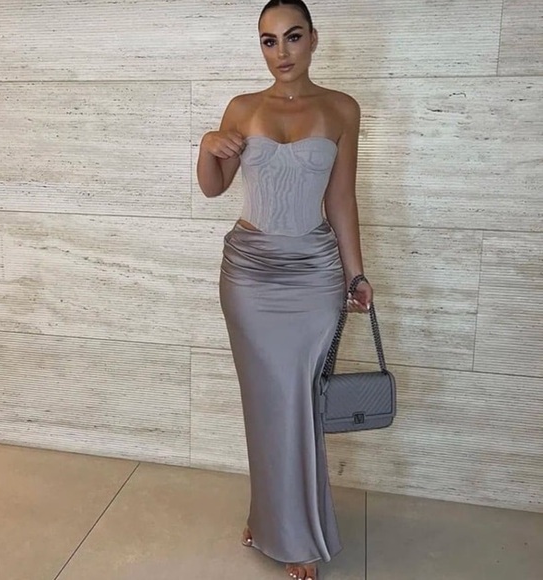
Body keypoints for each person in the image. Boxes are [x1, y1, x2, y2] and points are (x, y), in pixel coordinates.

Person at [196, 1, 373, 578]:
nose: (281, 52)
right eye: (268, 41)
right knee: (266, 404)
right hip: (250, 275)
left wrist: (355, 273)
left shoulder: (342, 108)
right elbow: (213, 188)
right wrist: (207, 146)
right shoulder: (242, 108)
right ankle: (273, 521)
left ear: (313, 39)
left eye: (292, 37)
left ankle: (288, 528)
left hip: (314, 273)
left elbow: (341, 198)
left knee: (298, 402)